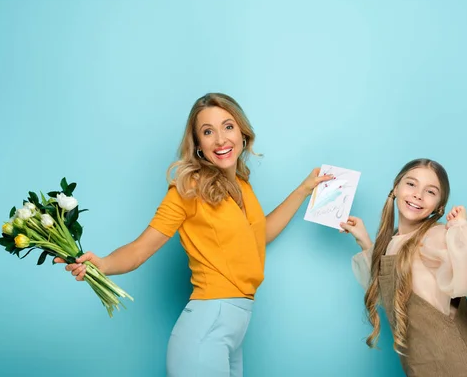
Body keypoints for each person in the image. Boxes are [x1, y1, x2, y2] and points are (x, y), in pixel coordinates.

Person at [56, 93, 331, 376]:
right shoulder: (188, 190)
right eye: (208, 132)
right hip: (207, 327)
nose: (221, 139)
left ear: (242, 133)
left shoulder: (241, 186)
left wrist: (303, 189)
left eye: (228, 126)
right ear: (198, 145)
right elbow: (140, 249)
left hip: (232, 328)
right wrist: (102, 264)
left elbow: (258, 236)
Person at [341, 158, 467, 376]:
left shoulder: (435, 236)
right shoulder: (393, 240)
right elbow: (388, 294)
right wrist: (364, 241)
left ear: (439, 205)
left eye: (430, 191)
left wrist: (461, 230)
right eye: (411, 184)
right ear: (396, 187)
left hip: (461, 367)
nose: (418, 194)